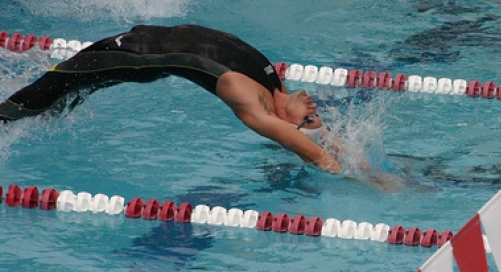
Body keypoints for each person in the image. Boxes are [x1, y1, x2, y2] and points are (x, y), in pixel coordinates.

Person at [0, 24, 343, 173]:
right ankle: (32, 117)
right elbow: (322, 142)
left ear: (289, 126)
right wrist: (356, 156)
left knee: (51, 87)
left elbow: (313, 153)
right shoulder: (274, 86)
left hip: (135, 56)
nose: (314, 108)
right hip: (146, 42)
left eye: (309, 119)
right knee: (60, 94)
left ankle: (7, 119)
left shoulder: (254, 105)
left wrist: (359, 177)